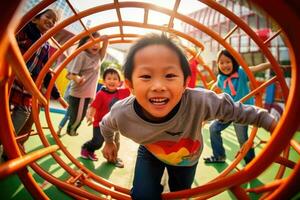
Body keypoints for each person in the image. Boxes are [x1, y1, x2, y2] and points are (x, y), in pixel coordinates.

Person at [99, 34, 277, 199]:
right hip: (150, 152)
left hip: (187, 159)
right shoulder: (122, 113)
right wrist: (109, 141)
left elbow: (236, 110)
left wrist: (267, 121)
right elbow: (106, 125)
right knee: (142, 195)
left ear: (185, 82)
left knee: (180, 194)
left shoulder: (199, 101)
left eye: (169, 75)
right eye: (146, 76)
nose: (158, 86)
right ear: (130, 84)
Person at [9, 9, 68, 144]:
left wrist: (58, 97)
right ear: (35, 19)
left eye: (54, 21)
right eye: (48, 17)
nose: (51, 21)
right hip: (11, 79)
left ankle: (8, 141)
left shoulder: (46, 46)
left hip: (26, 87)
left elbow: (46, 73)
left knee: (24, 112)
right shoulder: (24, 30)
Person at [204, 49, 272, 164]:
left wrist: (271, 64)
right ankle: (219, 156)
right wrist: (209, 93)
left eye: (228, 62)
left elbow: (256, 68)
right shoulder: (221, 78)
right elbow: (215, 85)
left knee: (242, 139)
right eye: (221, 62)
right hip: (228, 111)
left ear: (234, 62)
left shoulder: (241, 72)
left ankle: (250, 162)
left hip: (242, 111)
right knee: (213, 128)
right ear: (218, 65)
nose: (225, 65)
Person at [81, 67, 130, 167]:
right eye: (109, 78)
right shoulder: (101, 94)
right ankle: (87, 148)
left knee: (116, 142)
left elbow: (130, 86)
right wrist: (90, 116)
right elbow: (93, 107)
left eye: (115, 79)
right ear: (104, 81)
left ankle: (113, 158)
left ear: (120, 82)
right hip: (100, 123)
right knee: (98, 142)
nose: (112, 81)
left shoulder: (121, 92)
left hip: (115, 125)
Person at [65, 32, 108, 136]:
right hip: (79, 93)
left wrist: (105, 41)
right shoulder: (82, 55)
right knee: (78, 117)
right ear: (84, 43)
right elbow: (70, 75)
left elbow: (104, 47)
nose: (96, 44)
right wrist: (77, 78)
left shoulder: (98, 57)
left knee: (81, 114)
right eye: (92, 41)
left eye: (98, 42)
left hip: (88, 93)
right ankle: (71, 130)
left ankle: (72, 126)